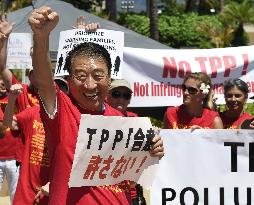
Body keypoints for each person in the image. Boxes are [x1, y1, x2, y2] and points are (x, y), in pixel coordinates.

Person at [28, 6, 164, 205]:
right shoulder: (61, 112)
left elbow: (133, 175)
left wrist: (153, 150)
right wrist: (41, 37)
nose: (90, 85)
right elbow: (43, 80)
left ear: (109, 79)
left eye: (98, 76)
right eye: (80, 76)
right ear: (68, 79)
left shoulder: (124, 122)